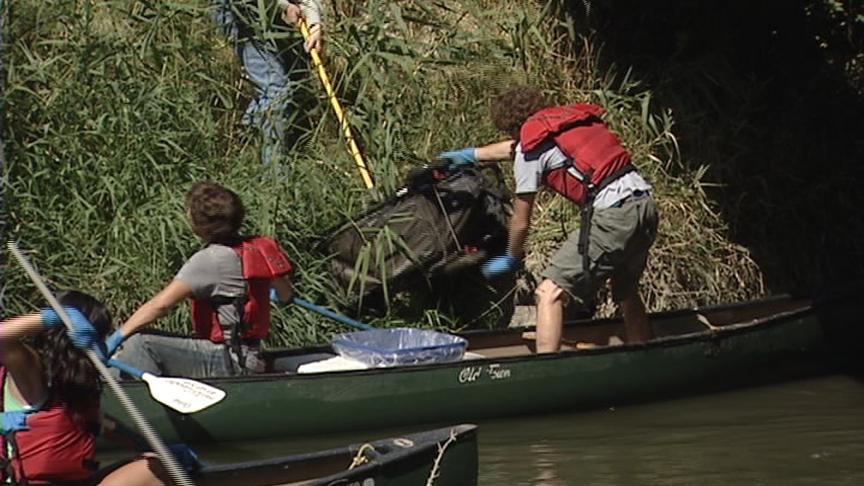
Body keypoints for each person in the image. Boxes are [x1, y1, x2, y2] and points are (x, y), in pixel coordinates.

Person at [440, 86, 659, 352]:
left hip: (614, 214)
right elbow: (518, 149)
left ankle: (544, 372)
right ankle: (644, 351)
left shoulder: (529, 150)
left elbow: (521, 220)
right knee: (626, 291)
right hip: (644, 205)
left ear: (511, 126)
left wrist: (512, 255)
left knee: (548, 291)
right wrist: (472, 155)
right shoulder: (564, 126)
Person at [106, 181, 294, 377]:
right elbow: (286, 295)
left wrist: (118, 336)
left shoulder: (209, 260)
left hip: (230, 361)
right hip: (251, 356)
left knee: (140, 343)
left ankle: (135, 404)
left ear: (199, 224)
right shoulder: (256, 249)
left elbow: (159, 306)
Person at [0, 290, 173, 485]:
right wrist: (57, 317)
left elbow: (101, 424)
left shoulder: (72, 381)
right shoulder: (32, 370)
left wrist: (152, 445)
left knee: (159, 467)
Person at [214, 0, 326, 165]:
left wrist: (315, 25)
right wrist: (285, 6)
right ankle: (275, 175)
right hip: (243, 11)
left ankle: (246, 143)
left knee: (296, 80)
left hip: (269, 11)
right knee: (277, 91)